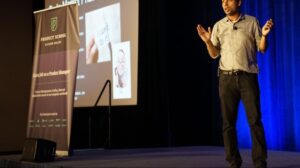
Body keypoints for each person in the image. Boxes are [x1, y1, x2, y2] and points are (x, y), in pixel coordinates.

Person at [196, 0, 273, 168]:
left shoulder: (252, 22)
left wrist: (265, 36)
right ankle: (233, 162)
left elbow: (262, 48)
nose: (224, 4)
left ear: (238, 2)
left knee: (255, 121)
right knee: (228, 124)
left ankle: (260, 162)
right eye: (222, 1)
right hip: (226, 79)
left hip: (247, 77)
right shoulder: (218, 25)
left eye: (228, 1)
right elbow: (214, 54)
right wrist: (208, 41)